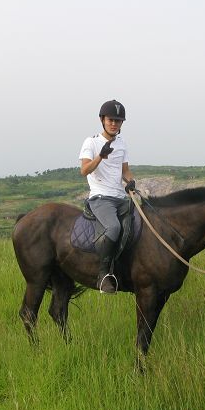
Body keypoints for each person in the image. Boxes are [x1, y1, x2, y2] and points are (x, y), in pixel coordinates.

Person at [79, 99, 136, 293]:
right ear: (103, 120)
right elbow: (84, 170)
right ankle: (103, 275)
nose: (114, 124)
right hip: (101, 198)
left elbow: (125, 171)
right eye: (111, 120)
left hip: (121, 197)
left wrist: (131, 182)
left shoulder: (122, 144)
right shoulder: (91, 142)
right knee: (113, 227)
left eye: (118, 121)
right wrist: (100, 156)